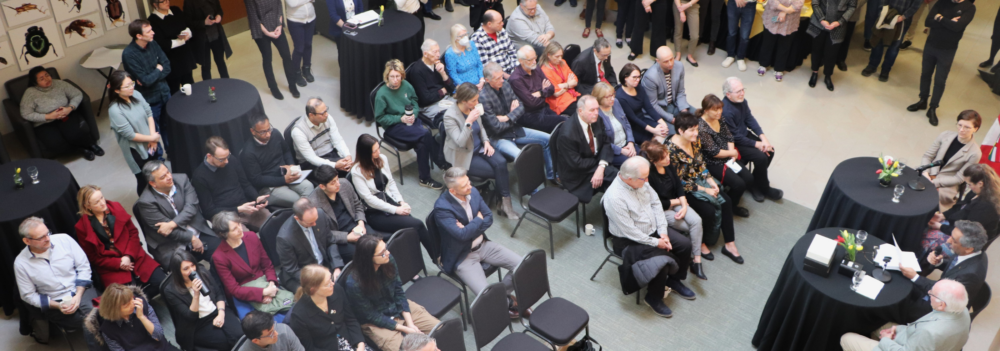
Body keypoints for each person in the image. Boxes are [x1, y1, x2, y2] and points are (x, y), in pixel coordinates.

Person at [602, 157, 695, 318]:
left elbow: (656, 204)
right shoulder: (615, 198)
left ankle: (674, 280)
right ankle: (653, 297)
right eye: (644, 178)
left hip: (653, 230)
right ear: (628, 178)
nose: (647, 180)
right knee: (660, 261)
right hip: (628, 240)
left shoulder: (640, 181)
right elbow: (629, 231)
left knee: (684, 244)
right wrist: (656, 242)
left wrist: (663, 231)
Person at [434, 167, 525, 317]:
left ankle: (502, 295)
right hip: (463, 257)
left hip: (484, 245)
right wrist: (478, 219)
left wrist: (469, 228)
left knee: (522, 266)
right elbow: (462, 235)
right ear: (452, 191)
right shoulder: (442, 208)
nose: (470, 186)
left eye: (468, 182)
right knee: (486, 294)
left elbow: (488, 218)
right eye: (464, 186)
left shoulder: (473, 192)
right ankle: (500, 300)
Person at [667, 112, 745, 262]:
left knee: (726, 201)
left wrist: (710, 181)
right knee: (707, 210)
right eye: (692, 130)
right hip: (683, 189)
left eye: (697, 129)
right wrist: (705, 190)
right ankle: (700, 241)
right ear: (680, 131)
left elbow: (701, 164)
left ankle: (730, 244)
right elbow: (678, 181)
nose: (696, 133)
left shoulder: (694, 140)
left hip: (699, 180)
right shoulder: (670, 150)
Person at [343, 236, 440, 351]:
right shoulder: (353, 283)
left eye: (386, 248)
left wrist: (409, 323)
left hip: (396, 306)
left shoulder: (388, 260)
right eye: (382, 253)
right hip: (376, 322)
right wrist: (404, 329)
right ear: (369, 258)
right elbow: (371, 316)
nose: (388, 253)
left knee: (440, 330)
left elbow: (398, 291)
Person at [15, 217, 98, 348]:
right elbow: (28, 295)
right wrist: (57, 306)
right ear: (27, 241)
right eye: (41, 237)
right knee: (92, 320)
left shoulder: (64, 240)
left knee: (93, 316)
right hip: (55, 302)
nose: (48, 239)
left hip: (80, 288)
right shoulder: (21, 264)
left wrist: (78, 295)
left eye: (47, 233)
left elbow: (83, 267)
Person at [74, 185, 166, 298]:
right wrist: (119, 264)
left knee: (163, 282)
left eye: (102, 198)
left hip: (134, 255)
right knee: (127, 299)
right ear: (87, 206)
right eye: (97, 202)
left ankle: (143, 300)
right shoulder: (82, 227)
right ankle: (140, 302)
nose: (103, 203)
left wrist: (128, 256)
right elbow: (93, 257)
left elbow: (133, 233)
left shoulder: (116, 207)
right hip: (112, 268)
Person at [443, 83, 518, 219]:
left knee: (501, 163)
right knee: (497, 172)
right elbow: (460, 141)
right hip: (464, 154)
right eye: (474, 101)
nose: (477, 103)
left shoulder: (473, 107)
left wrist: (486, 141)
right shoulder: (450, 116)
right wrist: (469, 122)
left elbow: (481, 127)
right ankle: (501, 203)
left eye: (477, 99)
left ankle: (505, 205)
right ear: (464, 101)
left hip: (480, 147)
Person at [840, 279, 970, 351]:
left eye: (932, 294)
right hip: (919, 341)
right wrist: (898, 329)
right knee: (878, 320)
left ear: (941, 305)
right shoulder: (962, 310)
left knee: (846, 338)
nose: (929, 293)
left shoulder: (929, 332)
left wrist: (885, 339)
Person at [899, 220, 987, 323]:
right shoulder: (969, 253)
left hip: (939, 309)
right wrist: (940, 262)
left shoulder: (971, 274)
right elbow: (956, 266)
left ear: (968, 248)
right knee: (902, 282)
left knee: (897, 302)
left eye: (954, 240)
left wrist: (915, 277)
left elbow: (943, 293)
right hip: (939, 293)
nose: (949, 241)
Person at [374, 59, 445, 189]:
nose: (395, 80)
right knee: (426, 133)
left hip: (411, 120)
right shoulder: (381, 94)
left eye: (398, 76)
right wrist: (400, 119)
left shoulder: (406, 85)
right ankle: (440, 162)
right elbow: (380, 118)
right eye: (392, 77)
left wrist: (414, 114)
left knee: (422, 142)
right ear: (387, 77)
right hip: (394, 126)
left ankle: (425, 178)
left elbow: (415, 101)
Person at [350, 134, 432, 245]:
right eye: (374, 151)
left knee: (414, 226)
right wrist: (396, 209)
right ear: (365, 154)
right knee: (417, 225)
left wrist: (401, 202)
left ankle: (435, 256)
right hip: (374, 212)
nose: (378, 152)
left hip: (388, 201)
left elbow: (391, 183)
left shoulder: (382, 159)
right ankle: (437, 257)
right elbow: (369, 199)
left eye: (378, 148)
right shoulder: (356, 172)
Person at [480, 61, 555, 180]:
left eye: (501, 76)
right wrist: (512, 115)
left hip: (514, 129)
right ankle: (533, 192)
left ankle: (553, 176)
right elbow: (496, 127)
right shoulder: (483, 98)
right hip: (498, 137)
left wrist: (506, 117)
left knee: (548, 139)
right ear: (487, 80)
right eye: (497, 78)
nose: (502, 80)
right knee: (522, 157)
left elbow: (521, 106)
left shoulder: (505, 85)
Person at [211, 211, 292, 320]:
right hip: (244, 294)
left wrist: (271, 285)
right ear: (223, 234)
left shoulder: (252, 237)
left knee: (291, 310)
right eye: (234, 229)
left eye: (239, 224)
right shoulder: (219, 256)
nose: (240, 229)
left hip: (266, 283)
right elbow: (234, 289)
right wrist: (263, 293)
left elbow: (267, 265)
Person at [137, 160, 219, 267]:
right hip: (171, 245)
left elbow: (191, 207)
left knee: (222, 257)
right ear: (153, 183)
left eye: (168, 172)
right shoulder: (146, 202)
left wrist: (172, 224)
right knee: (191, 275)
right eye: (163, 177)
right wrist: (192, 238)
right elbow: (168, 232)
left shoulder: (182, 179)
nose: (169, 177)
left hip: (197, 231)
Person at [642, 141, 706, 280]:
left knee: (697, 221)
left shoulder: (668, 164)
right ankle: (691, 256)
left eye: (667, 155)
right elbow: (657, 203)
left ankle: (697, 261)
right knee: (690, 227)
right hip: (662, 209)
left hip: (677, 201)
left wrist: (683, 206)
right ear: (654, 161)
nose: (668, 159)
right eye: (663, 157)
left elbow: (678, 186)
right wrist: (678, 202)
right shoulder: (650, 176)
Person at [905, 0, 975, 125]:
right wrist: (949, 21)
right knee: (925, 74)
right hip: (931, 44)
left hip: (947, 50)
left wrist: (939, 18)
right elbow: (928, 22)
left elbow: (957, 27)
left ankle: (932, 108)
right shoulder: (942, 2)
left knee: (940, 80)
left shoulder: (969, 8)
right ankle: (923, 100)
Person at [308, 164, 390, 264]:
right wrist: (347, 237)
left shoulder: (344, 184)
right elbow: (323, 233)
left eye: (337, 179)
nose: (338, 184)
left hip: (357, 226)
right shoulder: (313, 203)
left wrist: (361, 223)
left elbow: (357, 205)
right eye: (333, 183)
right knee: (362, 257)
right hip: (340, 237)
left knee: (379, 247)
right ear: (322, 186)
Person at [163, 250, 243, 351]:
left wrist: (221, 313)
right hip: (199, 322)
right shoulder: (171, 291)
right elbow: (190, 317)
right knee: (223, 344)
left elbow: (218, 294)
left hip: (217, 310)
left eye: (192, 265)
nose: (192, 270)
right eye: (186, 269)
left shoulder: (202, 272)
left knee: (239, 335)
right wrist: (196, 295)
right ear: (178, 272)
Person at [20, 66, 103, 160]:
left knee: (75, 134)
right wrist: (48, 116)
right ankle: (81, 150)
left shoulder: (59, 83)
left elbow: (77, 94)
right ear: (35, 82)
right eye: (41, 79)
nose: (47, 79)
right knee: (54, 143)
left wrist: (69, 108)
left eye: (47, 75)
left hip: (66, 115)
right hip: (45, 122)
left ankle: (91, 145)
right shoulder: (30, 93)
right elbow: (26, 113)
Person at [722, 77, 783, 202]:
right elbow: (734, 137)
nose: (742, 93)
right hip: (735, 143)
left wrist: (763, 138)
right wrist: (756, 144)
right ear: (728, 95)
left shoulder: (742, 101)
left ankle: (756, 184)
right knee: (760, 157)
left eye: (742, 89)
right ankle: (764, 187)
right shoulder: (726, 111)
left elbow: (749, 119)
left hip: (743, 136)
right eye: (738, 91)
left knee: (769, 150)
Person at [192, 136, 272, 230]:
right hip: (225, 216)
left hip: (245, 207)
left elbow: (245, 184)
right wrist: (238, 209)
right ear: (209, 156)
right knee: (247, 238)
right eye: (222, 159)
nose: (227, 161)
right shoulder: (199, 176)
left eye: (228, 156)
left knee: (272, 223)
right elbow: (208, 211)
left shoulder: (231, 160)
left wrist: (256, 198)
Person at [288, 265, 372, 351]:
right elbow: (309, 348)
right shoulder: (299, 315)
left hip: (351, 341)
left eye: (331, 279)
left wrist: (360, 343)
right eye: (327, 284)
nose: (333, 284)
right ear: (313, 290)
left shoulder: (337, 290)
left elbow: (351, 320)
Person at [922, 164, 1000, 254]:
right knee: (925, 225)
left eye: (969, 184)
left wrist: (940, 226)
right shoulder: (978, 191)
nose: (968, 187)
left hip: (965, 242)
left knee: (925, 238)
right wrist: (942, 216)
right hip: (960, 226)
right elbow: (960, 206)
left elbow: (966, 232)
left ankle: (925, 263)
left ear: (980, 184)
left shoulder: (985, 207)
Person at [555, 95, 620, 203]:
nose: (596, 113)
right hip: (576, 174)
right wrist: (599, 165)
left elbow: (606, 142)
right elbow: (577, 163)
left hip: (592, 161)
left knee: (619, 179)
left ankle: (613, 208)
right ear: (581, 111)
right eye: (592, 110)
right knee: (616, 178)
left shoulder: (596, 119)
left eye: (597, 109)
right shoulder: (567, 134)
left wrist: (601, 166)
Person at [107, 70, 163, 196]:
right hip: (136, 150)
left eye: (131, 83)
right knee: (143, 180)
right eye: (127, 86)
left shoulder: (136, 94)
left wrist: (153, 138)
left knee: (155, 173)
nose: (132, 87)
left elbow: (149, 113)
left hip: (150, 142)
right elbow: (130, 135)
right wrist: (151, 138)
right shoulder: (115, 110)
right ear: (117, 90)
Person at [242, 114, 314, 209]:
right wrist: (283, 180)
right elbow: (257, 179)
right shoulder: (248, 153)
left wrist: (291, 166)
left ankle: (307, 214)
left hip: (286, 173)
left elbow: (286, 151)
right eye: (263, 132)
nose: (268, 134)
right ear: (253, 131)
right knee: (299, 201)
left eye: (269, 129)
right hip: (270, 186)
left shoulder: (275, 133)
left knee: (309, 187)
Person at [698, 94, 753, 213]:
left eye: (720, 108)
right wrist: (732, 152)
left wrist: (732, 154)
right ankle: (732, 207)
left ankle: (732, 196)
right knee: (739, 184)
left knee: (748, 178)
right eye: (715, 110)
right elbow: (714, 152)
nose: (719, 112)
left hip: (727, 155)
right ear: (706, 110)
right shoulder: (702, 127)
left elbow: (729, 136)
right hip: (713, 162)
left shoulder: (719, 118)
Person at [277, 198, 345, 292]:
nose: (314, 224)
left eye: (315, 219)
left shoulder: (320, 214)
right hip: (303, 273)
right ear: (297, 218)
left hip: (324, 264)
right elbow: (292, 269)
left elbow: (330, 242)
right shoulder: (285, 238)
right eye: (310, 222)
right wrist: (317, 280)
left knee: (342, 285)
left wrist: (336, 267)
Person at [920, 110, 983, 207]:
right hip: (929, 173)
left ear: (975, 129)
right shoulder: (945, 135)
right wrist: (925, 173)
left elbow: (959, 178)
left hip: (947, 184)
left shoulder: (975, 153)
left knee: (928, 202)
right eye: (960, 125)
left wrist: (934, 182)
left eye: (967, 127)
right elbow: (928, 156)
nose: (961, 129)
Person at [89, 284, 178, 351]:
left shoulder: (142, 304)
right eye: (126, 305)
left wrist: (142, 317)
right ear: (114, 310)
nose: (133, 304)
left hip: (161, 348)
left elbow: (159, 336)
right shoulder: (108, 330)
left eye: (132, 298)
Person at [122, 19, 171, 138]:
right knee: (153, 130)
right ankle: (157, 156)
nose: (153, 32)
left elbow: (167, 66)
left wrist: (152, 76)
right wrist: (158, 69)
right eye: (149, 31)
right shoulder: (129, 54)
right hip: (149, 99)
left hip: (165, 93)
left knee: (169, 126)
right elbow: (146, 81)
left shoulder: (153, 43)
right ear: (139, 36)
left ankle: (171, 152)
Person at [245, 0, 299, 99]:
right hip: (260, 30)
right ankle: (273, 87)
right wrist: (268, 33)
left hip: (275, 25)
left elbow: (279, 6)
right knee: (267, 58)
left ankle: (292, 85)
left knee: (286, 55)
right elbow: (254, 18)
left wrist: (279, 24)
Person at [510, 46, 568, 132]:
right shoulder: (516, 79)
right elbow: (531, 103)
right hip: (529, 115)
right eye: (530, 60)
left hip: (544, 108)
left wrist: (540, 93)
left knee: (567, 122)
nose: (534, 62)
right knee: (564, 123)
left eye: (535, 58)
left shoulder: (536, 68)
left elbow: (551, 89)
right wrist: (544, 91)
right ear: (521, 61)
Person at [290, 97, 353, 177]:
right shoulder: (298, 132)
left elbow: (338, 140)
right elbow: (311, 158)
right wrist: (335, 165)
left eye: (326, 110)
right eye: (322, 113)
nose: (326, 114)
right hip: (311, 163)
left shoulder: (327, 118)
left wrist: (347, 155)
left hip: (330, 153)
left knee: (350, 169)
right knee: (336, 176)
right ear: (311, 115)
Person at [861, 0, 921, 82]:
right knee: (879, 42)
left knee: (894, 47)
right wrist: (884, 10)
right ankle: (872, 65)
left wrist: (903, 17)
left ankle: (885, 70)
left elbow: (915, 6)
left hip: (902, 21)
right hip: (886, 16)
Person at [806, 0, 857, 91]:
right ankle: (814, 72)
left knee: (832, 53)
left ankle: (828, 76)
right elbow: (815, 3)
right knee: (816, 50)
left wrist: (839, 22)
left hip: (838, 26)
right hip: (819, 23)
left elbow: (852, 7)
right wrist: (821, 19)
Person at [148, 0, 195, 95]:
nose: (167, 2)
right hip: (171, 61)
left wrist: (188, 34)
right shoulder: (152, 21)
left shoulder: (175, 10)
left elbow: (188, 25)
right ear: (155, 4)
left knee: (190, 85)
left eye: (167, 0)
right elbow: (162, 43)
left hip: (185, 56)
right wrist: (181, 41)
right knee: (174, 90)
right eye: (163, 1)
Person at [642, 46, 691, 135]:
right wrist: (672, 119)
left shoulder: (679, 66)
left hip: (674, 103)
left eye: (671, 59)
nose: (670, 63)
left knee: (697, 117)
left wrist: (684, 112)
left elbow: (680, 91)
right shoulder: (650, 77)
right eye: (666, 61)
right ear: (658, 61)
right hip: (660, 110)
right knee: (676, 134)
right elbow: (652, 104)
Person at [617, 63, 667, 145]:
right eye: (634, 77)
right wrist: (654, 130)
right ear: (625, 77)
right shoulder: (620, 97)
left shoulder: (639, 87)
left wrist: (662, 123)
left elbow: (649, 108)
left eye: (639, 77)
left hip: (643, 119)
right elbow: (633, 119)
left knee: (663, 133)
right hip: (632, 127)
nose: (638, 80)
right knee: (656, 142)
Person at [756, 0, 804, 81]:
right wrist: (786, 10)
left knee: (785, 45)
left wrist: (785, 12)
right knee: (768, 42)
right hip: (773, 16)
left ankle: (779, 69)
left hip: (790, 20)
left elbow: (799, 3)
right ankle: (763, 64)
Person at [410, 39, 457, 121]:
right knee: (452, 116)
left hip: (445, 99)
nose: (438, 55)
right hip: (430, 106)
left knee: (464, 106)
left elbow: (451, 88)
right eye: (435, 52)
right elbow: (426, 98)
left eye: (439, 51)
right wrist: (442, 91)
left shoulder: (438, 63)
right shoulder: (417, 71)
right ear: (425, 54)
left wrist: (443, 73)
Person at [184, 0, 230, 81]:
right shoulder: (189, 2)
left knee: (220, 61)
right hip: (202, 39)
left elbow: (219, 9)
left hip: (216, 33)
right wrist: (204, 22)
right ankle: (208, 89)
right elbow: (188, 22)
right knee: (206, 66)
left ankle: (227, 84)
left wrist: (219, 16)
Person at [593, 82, 635, 168]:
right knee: (633, 166)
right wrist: (621, 151)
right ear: (599, 98)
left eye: (613, 94)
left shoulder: (616, 102)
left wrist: (630, 142)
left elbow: (626, 123)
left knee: (646, 156)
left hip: (626, 145)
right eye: (608, 97)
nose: (612, 98)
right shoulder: (596, 114)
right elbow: (602, 142)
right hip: (612, 152)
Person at [539, 41, 580, 115]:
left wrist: (564, 85)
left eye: (561, 56)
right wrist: (568, 83)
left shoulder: (563, 62)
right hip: (559, 102)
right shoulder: (545, 70)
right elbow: (556, 93)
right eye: (557, 56)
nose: (560, 59)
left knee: (590, 104)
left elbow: (575, 80)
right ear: (549, 55)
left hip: (572, 94)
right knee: (583, 112)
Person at [471, 10, 519, 75]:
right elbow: (486, 66)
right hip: (497, 76)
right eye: (499, 23)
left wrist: (517, 68)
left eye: (502, 20)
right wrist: (505, 76)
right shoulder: (478, 39)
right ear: (489, 24)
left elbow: (512, 51)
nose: (503, 23)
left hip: (512, 70)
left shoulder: (502, 31)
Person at [238, 311, 305, 351]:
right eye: (271, 334)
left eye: (273, 328)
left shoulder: (284, 330)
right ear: (256, 341)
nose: (276, 333)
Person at [285, 0, 316, 87]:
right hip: (295, 21)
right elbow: (292, 3)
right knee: (299, 48)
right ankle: (297, 73)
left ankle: (306, 69)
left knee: (308, 45)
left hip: (311, 18)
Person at [722, 0, 757, 71]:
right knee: (731, 32)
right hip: (733, 3)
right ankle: (730, 55)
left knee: (745, 36)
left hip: (750, 4)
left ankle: (740, 58)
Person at [672, 0, 700, 67]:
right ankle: (678, 54)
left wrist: (687, 5)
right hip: (678, 3)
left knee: (695, 36)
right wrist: (681, 11)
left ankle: (690, 56)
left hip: (693, 4)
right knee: (678, 31)